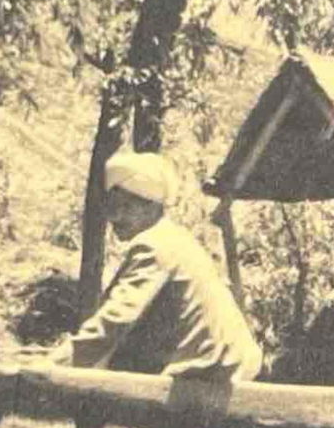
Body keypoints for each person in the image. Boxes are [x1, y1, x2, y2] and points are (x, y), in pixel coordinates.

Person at [49, 151, 263, 381]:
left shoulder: (155, 244)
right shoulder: (173, 238)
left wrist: (48, 367)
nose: (114, 216)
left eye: (125, 207)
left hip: (213, 372)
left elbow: (114, 321)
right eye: (111, 207)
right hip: (223, 367)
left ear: (152, 207)